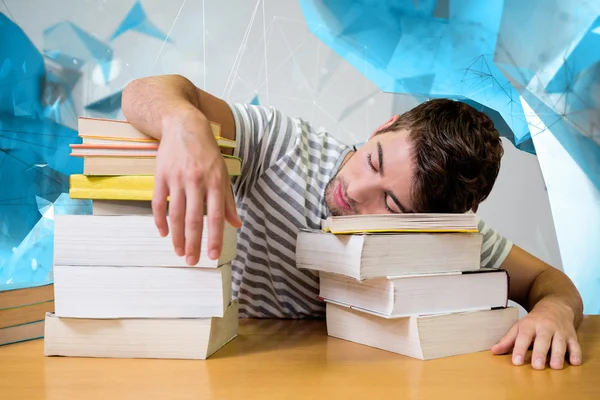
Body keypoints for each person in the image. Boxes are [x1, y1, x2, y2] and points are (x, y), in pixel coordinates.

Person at [121, 74, 583, 371]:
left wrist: (554, 311)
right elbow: (144, 90)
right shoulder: (285, 146)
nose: (355, 190)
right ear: (386, 125)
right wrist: (186, 124)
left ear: (429, 224)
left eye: (390, 205)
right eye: (374, 160)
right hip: (229, 360)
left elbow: (550, 281)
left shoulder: (443, 235)